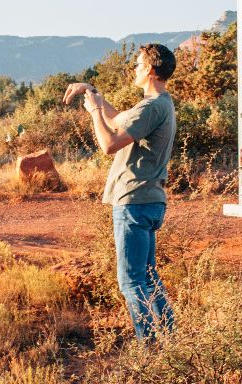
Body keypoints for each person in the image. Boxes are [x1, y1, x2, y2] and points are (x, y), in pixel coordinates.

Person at [64, 44, 177, 340]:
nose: (135, 69)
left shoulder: (151, 107)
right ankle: (171, 340)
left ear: (151, 70)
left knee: (131, 281)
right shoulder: (160, 104)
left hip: (133, 203)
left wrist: (94, 113)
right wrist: (93, 92)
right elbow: (118, 121)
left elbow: (109, 144)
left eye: (138, 65)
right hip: (149, 201)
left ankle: (149, 346)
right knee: (149, 279)